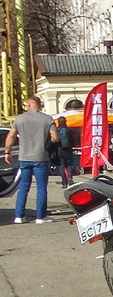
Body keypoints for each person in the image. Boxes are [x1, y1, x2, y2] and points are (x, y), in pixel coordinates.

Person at [4, 95, 60, 224]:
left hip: (24, 157)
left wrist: (7, 152)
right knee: (41, 187)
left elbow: (11, 136)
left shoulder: (20, 119)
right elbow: (55, 138)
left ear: (29, 104)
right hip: (41, 157)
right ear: (39, 105)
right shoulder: (47, 119)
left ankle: (19, 216)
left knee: (23, 186)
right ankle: (41, 217)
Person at [50, 115, 73, 187]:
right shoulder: (69, 130)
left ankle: (64, 181)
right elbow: (73, 139)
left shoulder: (57, 130)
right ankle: (69, 177)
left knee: (61, 166)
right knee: (69, 164)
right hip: (68, 149)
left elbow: (53, 140)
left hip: (59, 149)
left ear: (58, 122)